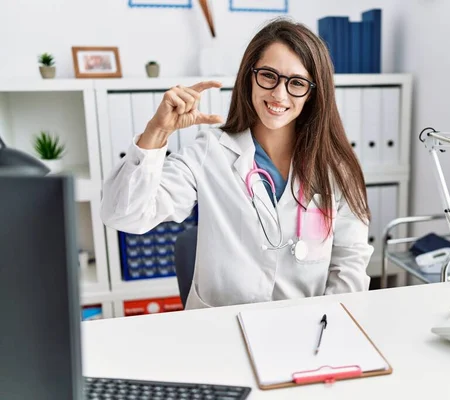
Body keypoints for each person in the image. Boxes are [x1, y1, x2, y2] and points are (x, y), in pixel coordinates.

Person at [100, 18, 374, 310]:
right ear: (249, 77)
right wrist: (157, 131)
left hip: (305, 331)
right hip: (220, 331)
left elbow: (350, 265)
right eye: (269, 76)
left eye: (296, 83)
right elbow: (123, 215)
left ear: (313, 93)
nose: (279, 94)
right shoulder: (210, 152)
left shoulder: (335, 168)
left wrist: (323, 324)